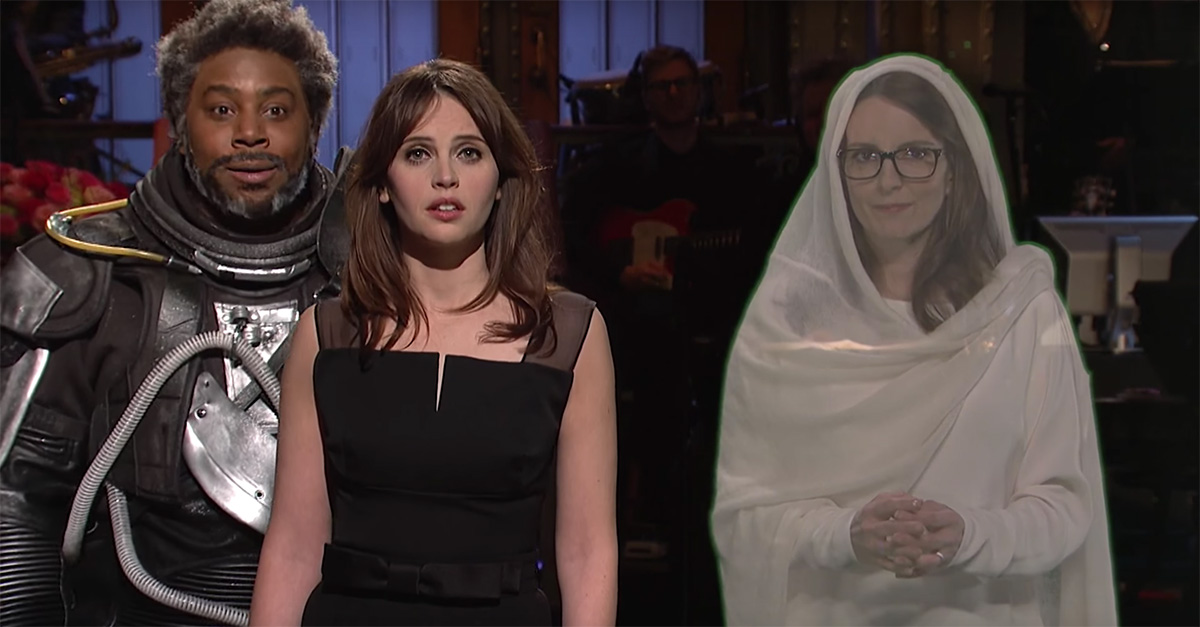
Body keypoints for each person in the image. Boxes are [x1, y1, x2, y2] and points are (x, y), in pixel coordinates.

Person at [711, 54, 1117, 625]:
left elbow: (1066, 507)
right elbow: (743, 519)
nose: (889, 180)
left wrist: (970, 534)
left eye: (916, 154)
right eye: (864, 157)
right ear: (836, 172)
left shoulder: (1023, 313)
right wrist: (845, 535)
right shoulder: (785, 326)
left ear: (954, 168)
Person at [0, 0, 344, 624]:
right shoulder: (88, 277)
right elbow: (15, 501)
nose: (249, 133)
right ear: (181, 124)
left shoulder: (380, 277)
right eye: (221, 110)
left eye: (276, 110)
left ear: (314, 123)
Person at [248, 58, 619, 626]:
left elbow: (588, 551)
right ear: (381, 186)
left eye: (469, 152)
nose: (445, 176)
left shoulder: (567, 335)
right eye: (418, 153)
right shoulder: (326, 335)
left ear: (501, 181)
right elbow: (295, 545)